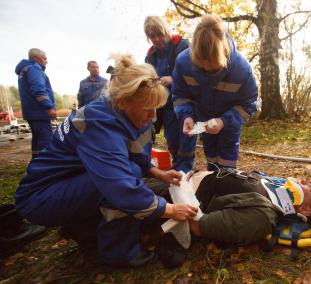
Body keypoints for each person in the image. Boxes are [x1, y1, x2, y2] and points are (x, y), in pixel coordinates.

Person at [14, 54, 198, 267]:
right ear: (122, 101)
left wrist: (158, 173)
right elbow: (121, 187)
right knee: (127, 175)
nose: (153, 115)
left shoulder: (118, 112)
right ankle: (120, 254)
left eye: (156, 107)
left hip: (66, 184)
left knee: (131, 170)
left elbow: (135, 152)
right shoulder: (99, 125)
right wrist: (170, 209)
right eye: (147, 108)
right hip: (41, 198)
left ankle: (83, 228)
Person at [172, 15, 258, 171]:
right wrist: (187, 116)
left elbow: (249, 103)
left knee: (227, 166)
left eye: (214, 67)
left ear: (223, 55)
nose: (207, 70)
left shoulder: (242, 69)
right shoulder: (182, 63)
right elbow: (180, 95)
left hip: (230, 124)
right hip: (205, 122)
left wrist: (224, 121)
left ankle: (227, 183)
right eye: (201, 66)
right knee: (211, 160)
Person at [187, 169, 311, 245]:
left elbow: (198, 226)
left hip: (184, 193)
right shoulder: (278, 186)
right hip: (191, 175)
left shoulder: (261, 217)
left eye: (308, 187)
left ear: (305, 210)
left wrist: (174, 197)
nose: (302, 180)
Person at [144, 15, 196, 172]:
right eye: (152, 36)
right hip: (165, 106)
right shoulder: (150, 56)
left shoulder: (183, 46)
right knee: (172, 139)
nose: (157, 39)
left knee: (186, 136)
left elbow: (195, 73)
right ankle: (178, 167)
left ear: (166, 30)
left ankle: (185, 170)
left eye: (159, 34)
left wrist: (173, 79)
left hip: (186, 102)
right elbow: (149, 77)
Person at [15, 48, 56, 158]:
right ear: (35, 58)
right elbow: (39, 90)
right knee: (45, 140)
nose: (46, 61)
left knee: (37, 139)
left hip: (31, 112)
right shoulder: (34, 69)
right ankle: (45, 168)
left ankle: (36, 164)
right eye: (44, 58)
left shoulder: (24, 70)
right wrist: (49, 107)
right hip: (40, 112)